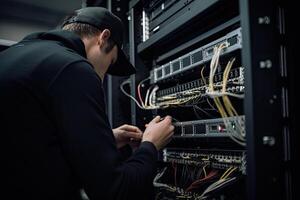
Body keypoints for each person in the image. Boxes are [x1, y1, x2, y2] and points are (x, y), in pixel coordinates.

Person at [0, 7, 174, 200]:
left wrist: (102, 140)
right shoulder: (74, 68)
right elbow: (114, 190)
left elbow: (31, 148)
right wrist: (150, 145)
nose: (104, 75)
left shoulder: (14, 55)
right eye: (111, 61)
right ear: (103, 37)